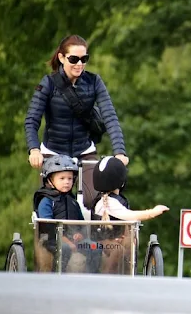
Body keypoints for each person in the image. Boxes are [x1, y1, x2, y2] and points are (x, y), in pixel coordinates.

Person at [24, 34, 129, 210]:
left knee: (94, 200)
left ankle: (97, 237)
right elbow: (31, 120)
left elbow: (110, 117)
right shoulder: (49, 83)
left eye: (84, 59)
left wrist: (120, 152)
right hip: (54, 151)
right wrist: (34, 149)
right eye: (74, 59)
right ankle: (52, 237)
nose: (79, 64)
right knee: (55, 202)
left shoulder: (94, 82)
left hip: (84, 150)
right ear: (61, 58)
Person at [90, 156, 169, 273]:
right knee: (118, 250)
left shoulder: (115, 199)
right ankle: (106, 278)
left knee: (127, 244)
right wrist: (152, 212)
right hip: (101, 242)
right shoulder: (107, 202)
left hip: (113, 239)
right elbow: (129, 216)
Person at [33, 154, 101, 273]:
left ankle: (91, 278)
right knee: (64, 248)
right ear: (50, 180)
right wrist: (67, 241)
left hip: (75, 241)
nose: (67, 182)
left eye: (70, 179)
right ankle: (57, 277)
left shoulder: (73, 202)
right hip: (52, 241)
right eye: (62, 178)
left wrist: (80, 234)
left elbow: (81, 223)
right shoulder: (46, 201)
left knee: (96, 247)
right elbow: (49, 227)